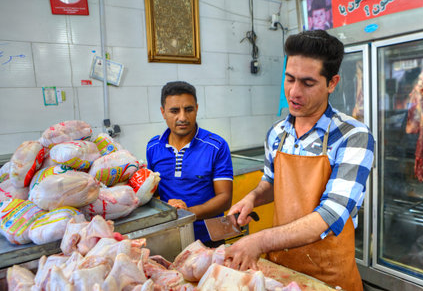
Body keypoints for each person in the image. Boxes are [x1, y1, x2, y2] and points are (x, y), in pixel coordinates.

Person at [224, 30, 374, 291]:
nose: (294, 92)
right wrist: (252, 198)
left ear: (332, 82)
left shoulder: (352, 136)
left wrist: (259, 241)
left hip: (327, 276)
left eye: (307, 83)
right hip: (280, 269)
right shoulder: (277, 133)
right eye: (289, 78)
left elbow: (331, 214)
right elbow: (271, 182)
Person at [146, 81, 233, 248]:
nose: (182, 118)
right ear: (163, 112)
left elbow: (225, 199)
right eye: (174, 111)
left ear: (197, 109)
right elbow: (152, 190)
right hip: (169, 235)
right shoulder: (153, 147)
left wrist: (187, 214)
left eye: (188, 109)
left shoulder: (216, 146)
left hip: (209, 237)